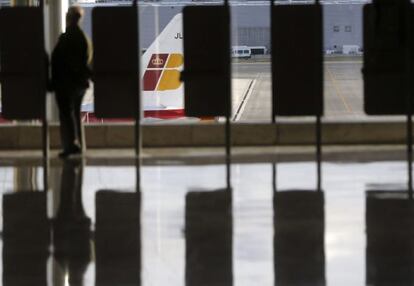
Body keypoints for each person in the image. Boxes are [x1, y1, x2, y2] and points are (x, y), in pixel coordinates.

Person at [51, 6, 92, 158]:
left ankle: (72, 145)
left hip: (68, 84)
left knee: (67, 115)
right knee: (74, 114)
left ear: (70, 17)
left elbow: (65, 61)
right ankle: (78, 145)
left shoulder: (69, 37)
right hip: (77, 83)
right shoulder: (82, 37)